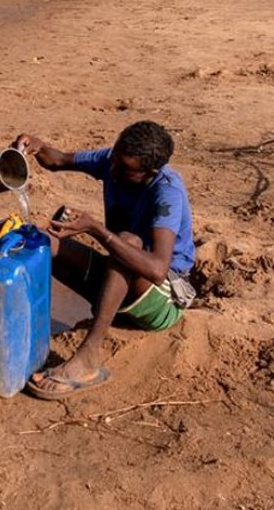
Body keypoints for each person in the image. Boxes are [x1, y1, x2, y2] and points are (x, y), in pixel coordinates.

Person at [13, 120, 196, 400]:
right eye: (113, 160)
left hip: (162, 300)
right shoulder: (114, 160)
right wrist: (37, 147)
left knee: (128, 241)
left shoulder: (166, 192)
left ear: (150, 172)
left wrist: (97, 229)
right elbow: (58, 160)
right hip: (120, 280)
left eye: (124, 170)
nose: (112, 170)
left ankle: (89, 356)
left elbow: (158, 269)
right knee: (42, 241)